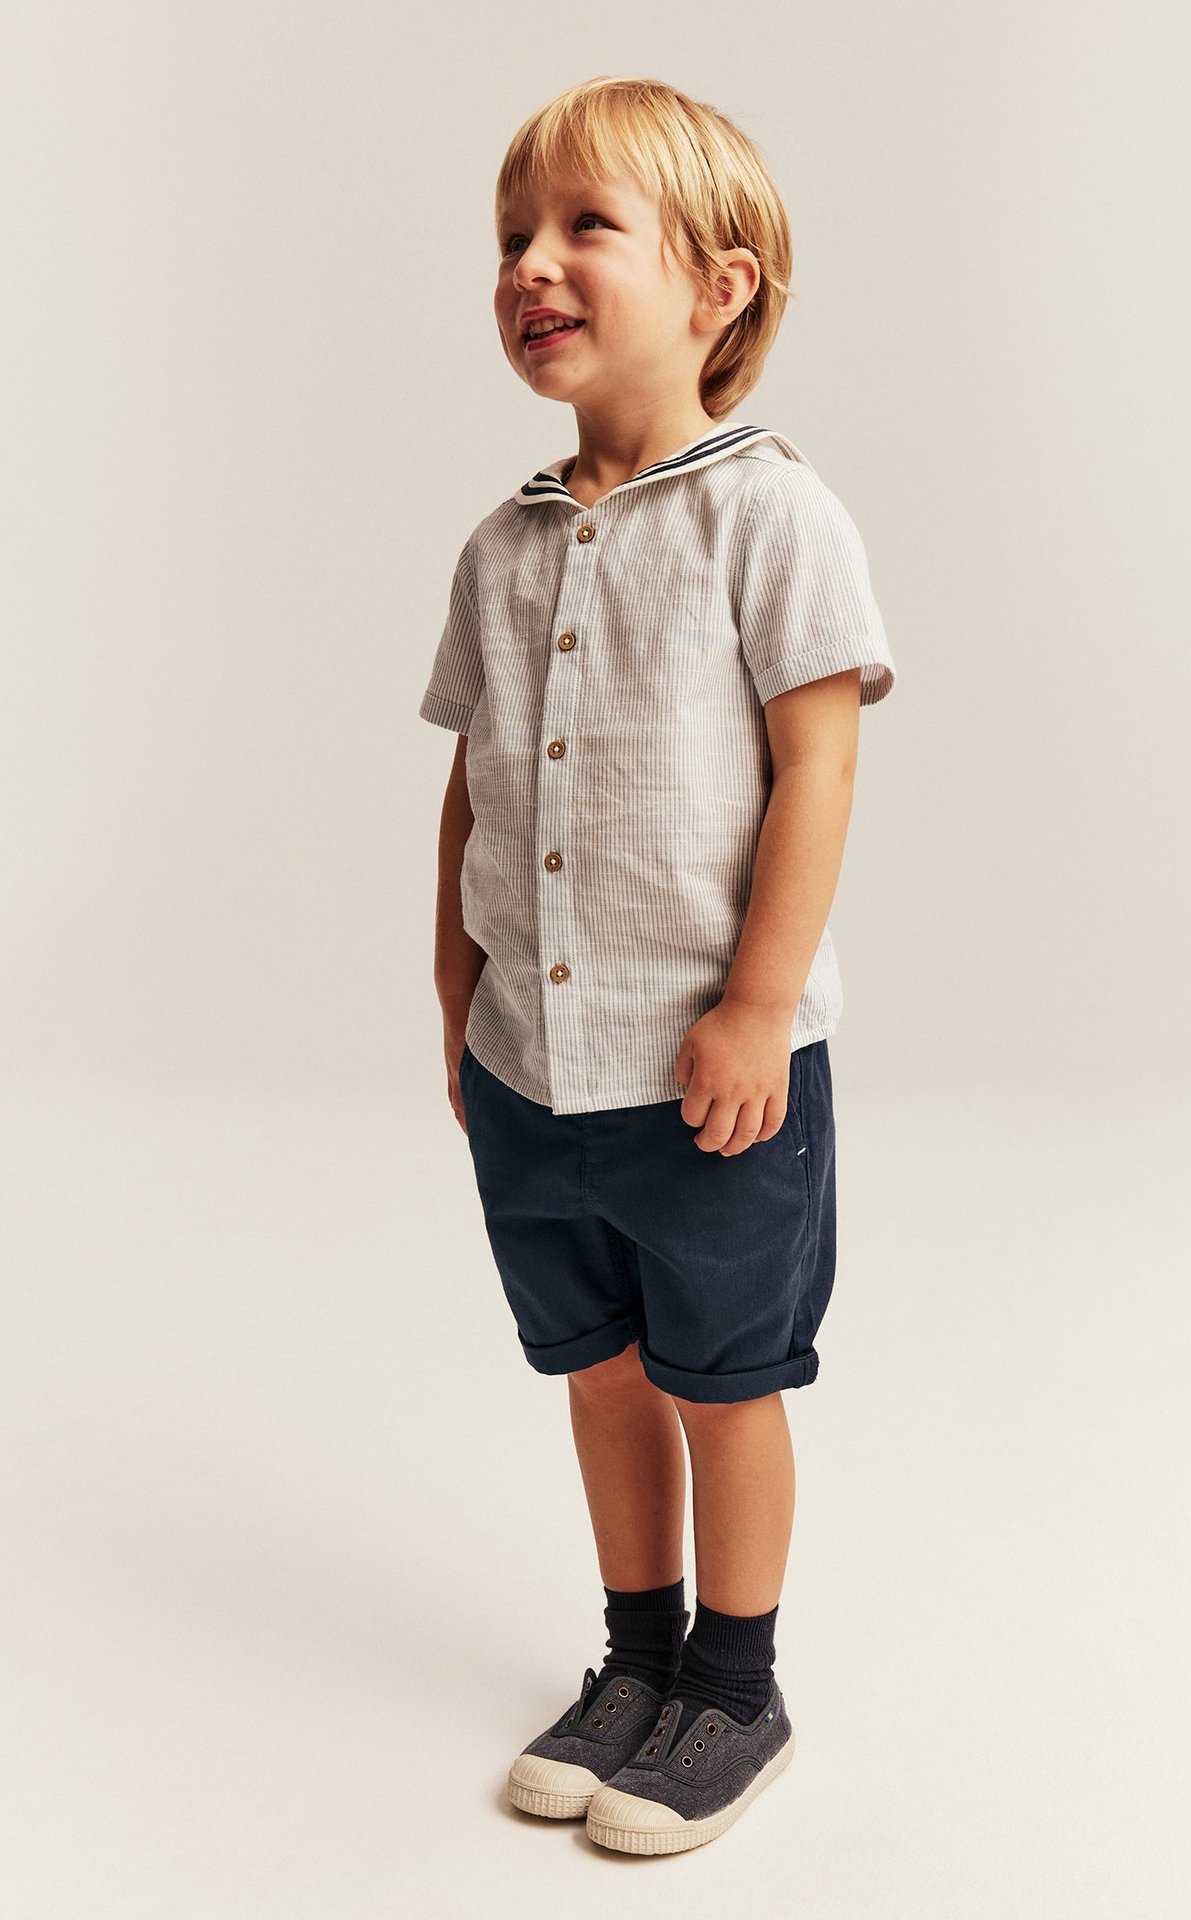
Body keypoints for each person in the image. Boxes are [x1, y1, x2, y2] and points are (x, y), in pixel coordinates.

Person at [419, 76, 897, 1856]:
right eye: (511, 238)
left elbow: (820, 765)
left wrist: (759, 1008)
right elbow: (471, 788)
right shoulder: (502, 545)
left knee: (723, 1378)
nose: (530, 265)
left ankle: (738, 1688)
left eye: (583, 228)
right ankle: (637, 1657)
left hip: (710, 1077)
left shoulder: (771, 515)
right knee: (601, 1369)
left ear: (720, 283)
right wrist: (456, 1005)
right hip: (534, 1068)